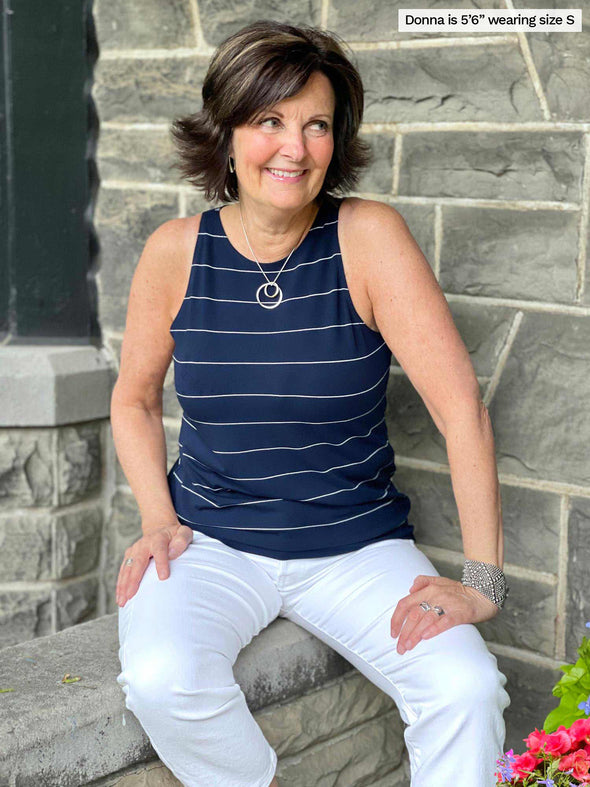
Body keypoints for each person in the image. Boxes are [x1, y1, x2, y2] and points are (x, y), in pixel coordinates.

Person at [112, 19, 511, 787]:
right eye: (269, 120)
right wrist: (159, 519)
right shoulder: (175, 250)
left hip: (356, 547)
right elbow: (132, 399)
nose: (294, 147)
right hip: (214, 541)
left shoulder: (367, 237)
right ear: (226, 131)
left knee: (464, 689)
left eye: (316, 124)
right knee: (161, 676)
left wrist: (482, 580)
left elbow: (462, 405)